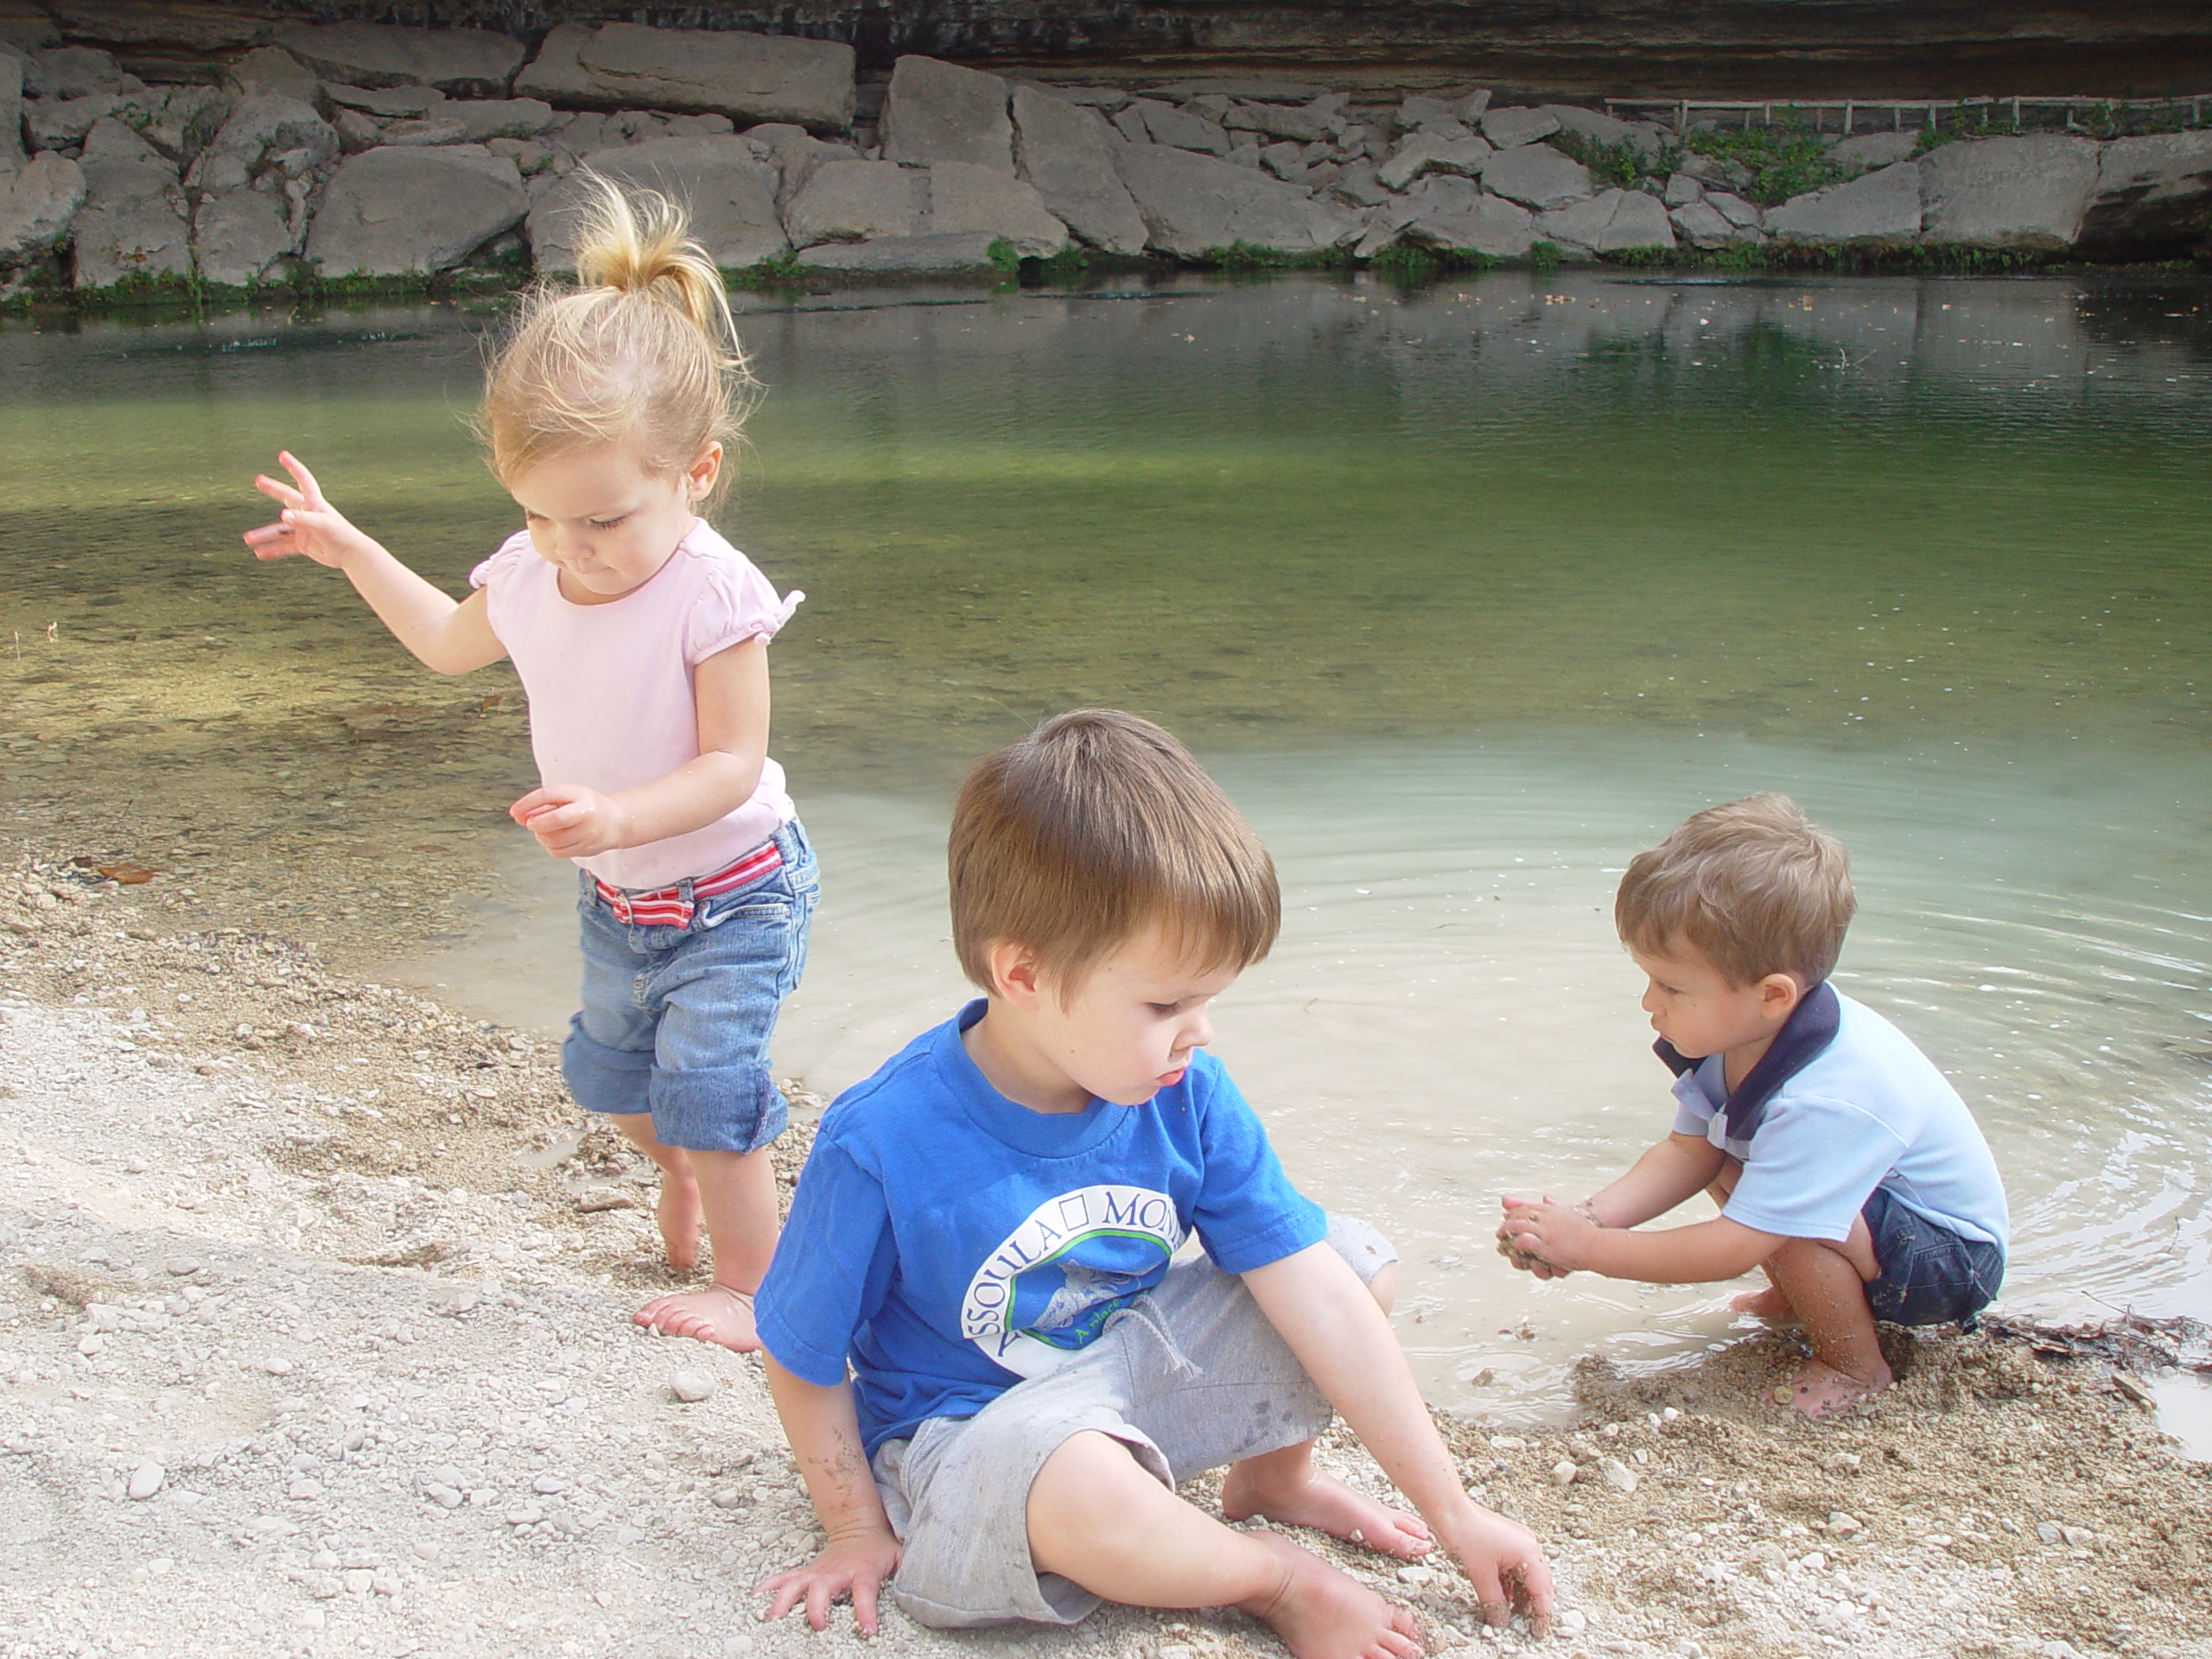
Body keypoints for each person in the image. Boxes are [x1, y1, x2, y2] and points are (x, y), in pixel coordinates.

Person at [752, 710, 1553, 1658]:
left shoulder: (1186, 1091)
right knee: (1082, 1488)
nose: (1200, 1032)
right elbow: (799, 1354)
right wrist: (852, 1529)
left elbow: (1311, 1295)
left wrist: (1453, 1511)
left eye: (1210, 999)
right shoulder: (882, 1136)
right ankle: (1273, 1580)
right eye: (1166, 1004)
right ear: (1024, 975)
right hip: (971, 1434)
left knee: (1349, 1265)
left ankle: (1272, 1484)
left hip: (1120, 1369)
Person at [243, 179, 817, 1353]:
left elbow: (732, 765)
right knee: (613, 1086)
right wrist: (349, 550)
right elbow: (449, 646)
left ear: (695, 474)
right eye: (543, 517)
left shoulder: (714, 597)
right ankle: (698, 1176)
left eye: (603, 522)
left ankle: (763, 1293)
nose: (574, 551)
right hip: (622, 898)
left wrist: (617, 810)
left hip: (736, 890)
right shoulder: (531, 566)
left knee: (711, 1093)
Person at [1497, 793, 2007, 1418]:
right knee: (1735, 1164)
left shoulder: (1827, 1096)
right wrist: (1589, 1219)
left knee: (1781, 1213)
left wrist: (1589, 1252)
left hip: (1950, 1262)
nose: (1648, 1003)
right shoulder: (1737, 1035)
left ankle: (1854, 1364)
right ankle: (1806, 1295)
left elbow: (1735, 1246)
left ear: (1772, 995)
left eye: (1672, 986)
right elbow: (1689, 1152)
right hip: (1883, 1224)